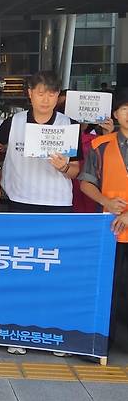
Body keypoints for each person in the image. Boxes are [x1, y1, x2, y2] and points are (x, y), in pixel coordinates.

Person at [0, 71, 80, 356]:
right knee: (22, 267)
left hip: (57, 203)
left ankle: (54, 329)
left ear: (58, 96)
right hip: (20, 201)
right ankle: (21, 330)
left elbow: (76, 170)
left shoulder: (68, 125)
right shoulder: (14, 122)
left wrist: (63, 167)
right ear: (30, 93)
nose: (45, 99)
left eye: (51, 94)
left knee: (54, 269)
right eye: (40, 93)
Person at [79, 89, 128, 345]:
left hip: (124, 222)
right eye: (124, 109)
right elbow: (86, 183)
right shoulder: (101, 145)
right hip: (110, 229)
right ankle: (110, 340)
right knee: (110, 285)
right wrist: (106, 202)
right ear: (116, 114)